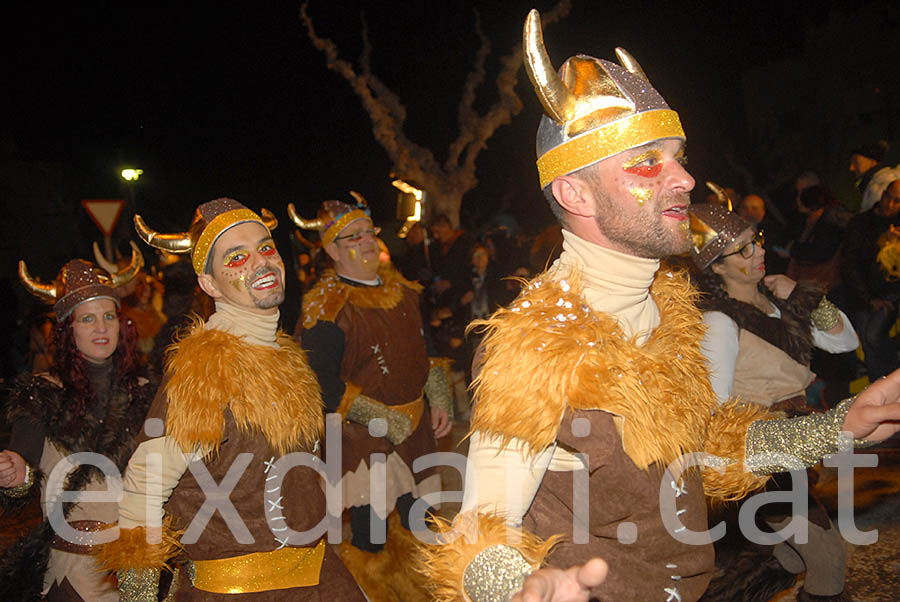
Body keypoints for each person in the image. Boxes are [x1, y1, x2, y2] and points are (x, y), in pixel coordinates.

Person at [421, 11, 900, 602]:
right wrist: (521, 588)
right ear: (574, 192)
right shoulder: (537, 344)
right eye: (647, 161)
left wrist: (838, 426)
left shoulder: (665, 306)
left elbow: (706, 452)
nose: (685, 178)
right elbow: (477, 529)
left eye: (677, 155)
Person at [96, 199, 364, 600]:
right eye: (236, 258)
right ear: (209, 284)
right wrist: (138, 590)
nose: (260, 263)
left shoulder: (288, 357)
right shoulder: (204, 368)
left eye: (266, 248)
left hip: (317, 579)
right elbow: (144, 487)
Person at [290, 193, 454, 601]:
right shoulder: (325, 308)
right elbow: (318, 381)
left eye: (368, 232)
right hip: (362, 446)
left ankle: (425, 593)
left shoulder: (405, 293)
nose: (366, 241)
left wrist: (440, 400)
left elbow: (426, 349)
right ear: (331, 249)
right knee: (372, 537)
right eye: (352, 237)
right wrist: (378, 414)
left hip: (415, 434)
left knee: (423, 526)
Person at [692, 201, 859, 601]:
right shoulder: (718, 322)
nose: (760, 252)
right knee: (827, 559)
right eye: (745, 249)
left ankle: (744, 585)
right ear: (716, 266)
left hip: (795, 444)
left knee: (791, 557)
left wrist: (804, 296)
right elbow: (713, 405)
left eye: (758, 242)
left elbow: (844, 341)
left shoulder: (776, 300)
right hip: (762, 456)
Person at [0, 250, 153, 601]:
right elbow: (21, 466)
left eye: (108, 316)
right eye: (87, 319)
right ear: (68, 329)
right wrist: (14, 473)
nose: (101, 328)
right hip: (75, 575)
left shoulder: (147, 393)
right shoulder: (42, 394)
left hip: (138, 572)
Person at [839, 179, 900, 381]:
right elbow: (850, 265)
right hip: (864, 292)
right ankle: (881, 385)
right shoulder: (862, 223)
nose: (890, 204)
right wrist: (868, 298)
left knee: (873, 334)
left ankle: (890, 379)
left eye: (897, 201)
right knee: (867, 334)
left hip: (892, 293)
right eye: (888, 197)